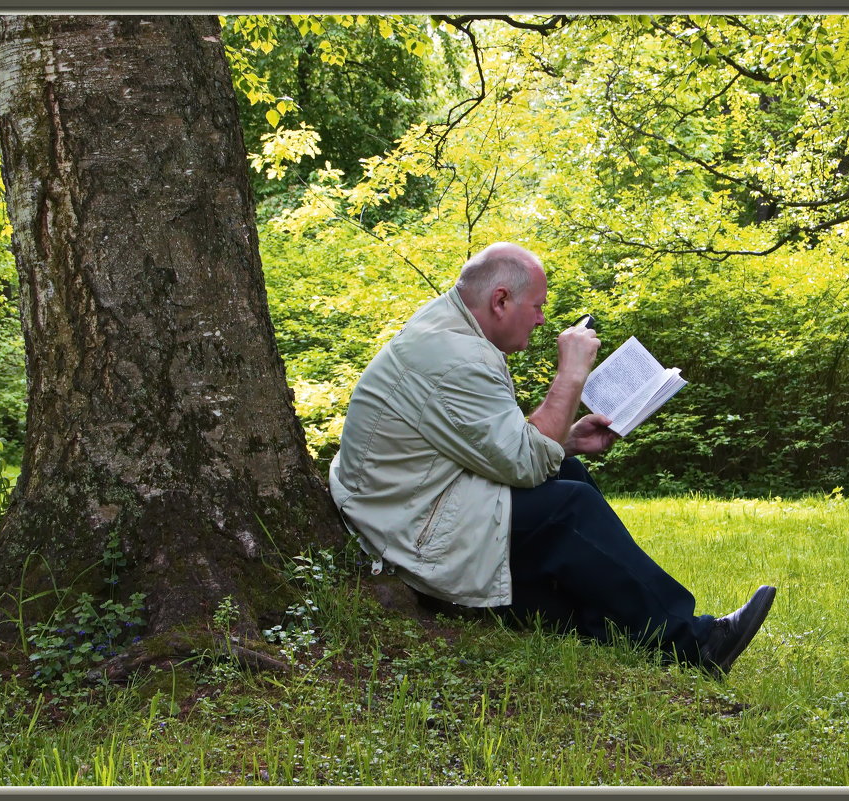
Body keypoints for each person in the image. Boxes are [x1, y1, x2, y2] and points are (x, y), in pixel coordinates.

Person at [328, 242, 775, 674]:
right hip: (407, 527)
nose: (542, 320)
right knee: (568, 507)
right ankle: (695, 643)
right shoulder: (457, 357)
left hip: (415, 499)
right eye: (537, 306)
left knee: (567, 470)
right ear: (500, 300)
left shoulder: (449, 329)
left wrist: (568, 441)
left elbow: (484, 439)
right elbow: (522, 462)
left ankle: (617, 624)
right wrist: (572, 373)